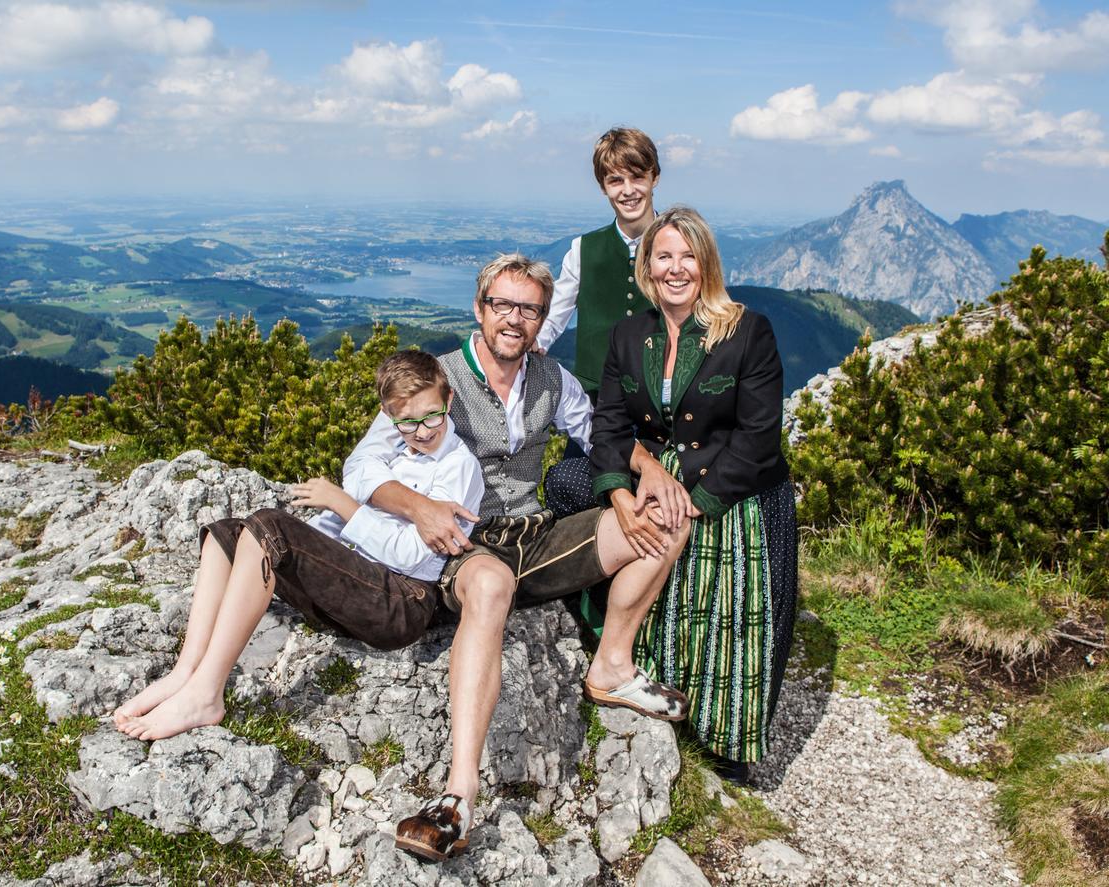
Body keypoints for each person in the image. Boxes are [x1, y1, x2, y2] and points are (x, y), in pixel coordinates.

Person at [343, 253, 693, 862]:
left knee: (668, 518)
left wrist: (649, 469)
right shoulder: (439, 377)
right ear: (479, 311)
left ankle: (611, 666)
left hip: (535, 536)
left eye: (528, 308)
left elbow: (599, 435)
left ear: (539, 319)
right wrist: (419, 508)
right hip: (465, 543)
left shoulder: (550, 377)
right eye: (503, 305)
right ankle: (458, 796)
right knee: (488, 587)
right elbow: (361, 466)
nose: (515, 319)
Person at [112, 351, 485, 741]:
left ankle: (207, 694)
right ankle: (186, 671)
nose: (423, 430)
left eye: (432, 416)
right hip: (357, 587)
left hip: (401, 602)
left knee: (271, 529)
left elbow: (412, 556)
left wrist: (341, 503)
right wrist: (311, 546)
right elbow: (338, 521)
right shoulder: (395, 452)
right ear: (388, 417)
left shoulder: (458, 466)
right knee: (230, 533)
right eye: (407, 422)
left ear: (449, 401)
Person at [589, 206, 798, 784]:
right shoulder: (630, 335)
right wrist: (619, 496)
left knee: (729, 619)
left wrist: (696, 502)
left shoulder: (746, 329)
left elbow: (758, 439)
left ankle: (727, 747)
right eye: (664, 257)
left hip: (729, 487)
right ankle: (651, 701)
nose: (676, 268)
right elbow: (608, 424)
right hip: (655, 483)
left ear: (706, 265)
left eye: (688, 256)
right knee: (668, 603)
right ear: (647, 268)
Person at [534, 127, 663, 518]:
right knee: (582, 498)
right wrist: (531, 346)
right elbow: (556, 312)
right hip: (594, 400)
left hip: (659, 401)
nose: (628, 190)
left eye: (637, 176)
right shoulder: (582, 249)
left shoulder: (677, 243)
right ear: (604, 187)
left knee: (651, 492)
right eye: (615, 180)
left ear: (654, 177)